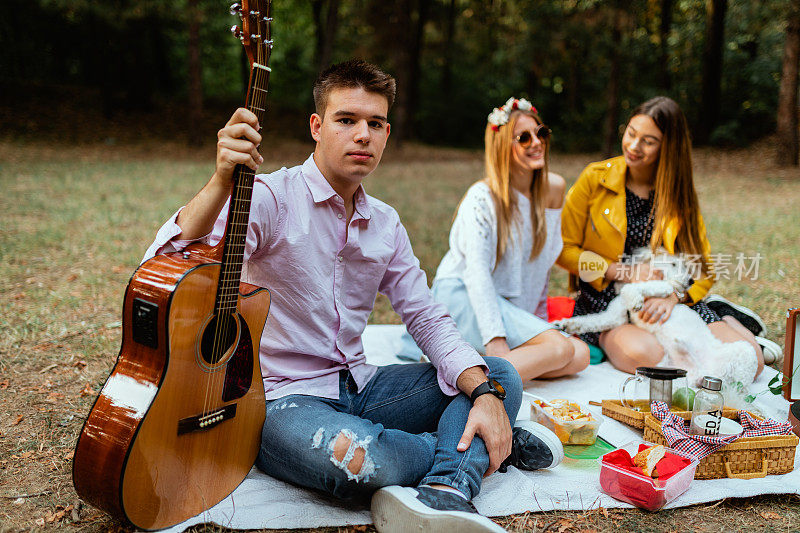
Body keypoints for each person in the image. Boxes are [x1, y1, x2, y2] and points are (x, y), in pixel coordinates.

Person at [143, 60, 562, 533]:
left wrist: (484, 393)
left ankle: (449, 484)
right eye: (347, 120)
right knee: (358, 462)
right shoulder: (269, 199)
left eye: (375, 123)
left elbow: (426, 317)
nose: (362, 134)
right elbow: (167, 258)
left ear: (386, 134)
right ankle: (475, 447)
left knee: (499, 373)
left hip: (361, 388)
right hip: (283, 399)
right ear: (317, 127)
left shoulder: (385, 223)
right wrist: (222, 180)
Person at [557, 96, 766, 377]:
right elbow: (563, 249)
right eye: (631, 133)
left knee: (751, 363)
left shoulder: (678, 194)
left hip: (671, 297)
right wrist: (623, 271)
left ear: (668, 147)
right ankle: (718, 319)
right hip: (610, 300)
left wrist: (673, 298)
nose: (633, 146)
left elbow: (702, 268)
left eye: (648, 141)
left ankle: (726, 317)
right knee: (653, 359)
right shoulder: (595, 178)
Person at [399, 97, 590, 381]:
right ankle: (474, 382)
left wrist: (536, 323)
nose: (536, 142)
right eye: (523, 138)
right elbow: (476, 274)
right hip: (463, 296)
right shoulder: (482, 198)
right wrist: (495, 337)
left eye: (541, 133)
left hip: (505, 304)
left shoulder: (553, 189)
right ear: (503, 146)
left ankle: (475, 365)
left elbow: (542, 265)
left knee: (579, 355)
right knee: (559, 349)